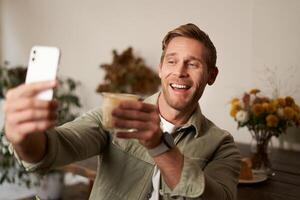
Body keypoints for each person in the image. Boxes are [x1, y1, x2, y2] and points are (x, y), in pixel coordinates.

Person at [4, 23, 241, 200]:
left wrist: (159, 146)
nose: (179, 72)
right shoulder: (115, 116)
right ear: (160, 69)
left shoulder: (222, 145)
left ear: (211, 75)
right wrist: (23, 137)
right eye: (171, 61)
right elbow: (53, 149)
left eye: (193, 64)